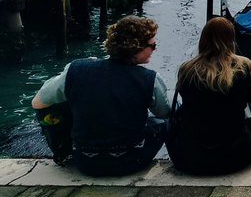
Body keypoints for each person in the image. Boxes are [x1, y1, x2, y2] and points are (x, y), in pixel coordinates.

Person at [31, 16, 170, 176]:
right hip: (130, 162)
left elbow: (37, 103)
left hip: (84, 162)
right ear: (137, 47)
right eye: (153, 46)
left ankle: (64, 151)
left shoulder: (76, 69)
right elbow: (164, 113)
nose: (155, 50)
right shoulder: (150, 79)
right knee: (161, 122)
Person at [166, 17, 251, 175]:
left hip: (189, 159)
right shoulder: (244, 65)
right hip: (236, 156)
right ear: (231, 39)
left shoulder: (186, 69)